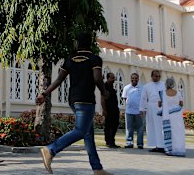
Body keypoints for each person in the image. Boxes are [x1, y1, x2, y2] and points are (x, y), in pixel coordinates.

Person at [37, 32, 113, 175]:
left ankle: (97, 169)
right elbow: (97, 78)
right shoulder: (95, 59)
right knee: (80, 131)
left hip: (73, 99)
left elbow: (58, 80)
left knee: (88, 135)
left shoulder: (70, 60)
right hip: (86, 100)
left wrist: (44, 93)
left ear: (78, 44)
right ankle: (51, 149)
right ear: (90, 44)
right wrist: (104, 91)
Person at [140, 70, 165, 153]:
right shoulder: (147, 86)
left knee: (161, 127)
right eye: (156, 76)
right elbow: (143, 98)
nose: (157, 78)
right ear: (152, 76)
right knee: (152, 127)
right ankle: (156, 145)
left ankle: (162, 145)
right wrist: (142, 109)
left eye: (159, 76)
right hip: (151, 108)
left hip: (161, 107)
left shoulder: (163, 85)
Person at [160, 77, 185, 157]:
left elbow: (160, 104)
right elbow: (181, 104)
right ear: (173, 84)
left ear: (166, 84)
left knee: (168, 132)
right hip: (177, 116)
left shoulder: (163, 93)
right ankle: (179, 149)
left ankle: (169, 149)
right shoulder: (178, 93)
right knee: (178, 133)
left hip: (167, 116)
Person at [121, 73, 143, 149]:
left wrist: (142, 109)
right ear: (130, 79)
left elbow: (144, 99)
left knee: (140, 128)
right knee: (129, 128)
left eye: (136, 78)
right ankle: (129, 143)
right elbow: (124, 98)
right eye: (132, 78)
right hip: (129, 111)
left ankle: (140, 144)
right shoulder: (126, 88)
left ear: (138, 79)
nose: (134, 80)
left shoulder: (142, 87)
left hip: (139, 111)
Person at [101, 72, 120, 148]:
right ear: (108, 78)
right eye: (112, 78)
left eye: (114, 77)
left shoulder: (112, 87)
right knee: (109, 126)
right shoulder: (105, 86)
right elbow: (102, 99)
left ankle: (112, 141)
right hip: (109, 109)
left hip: (114, 109)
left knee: (115, 125)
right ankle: (109, 141)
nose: (114, 79)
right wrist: (104, 110)